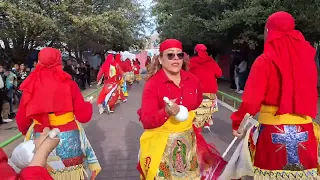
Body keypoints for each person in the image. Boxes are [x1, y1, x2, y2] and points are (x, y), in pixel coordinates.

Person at [231, 12, 319, 179]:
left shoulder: (264, 61)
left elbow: (251, 101)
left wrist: (238, 124)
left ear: (268, 31)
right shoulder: (308, 59)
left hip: (273, 132)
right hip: (305, 132)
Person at [137, 39, 226, 180]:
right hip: (162, 147)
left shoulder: (193, 80)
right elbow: (147, 121)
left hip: (188, 144)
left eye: (179, 55)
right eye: (170, 55)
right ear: (160, 59)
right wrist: (165, 112)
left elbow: (196, 103)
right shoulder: (153, 84)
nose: (176, 59)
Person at [16, 47, 101, 179]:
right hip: (69, 137)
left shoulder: (30, 86)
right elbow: (84, 116)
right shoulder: (69, 84)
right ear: (59, 61)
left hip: (40, 138)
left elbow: (22, 121)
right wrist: (88, 105)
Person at [189, 44, 222, 131]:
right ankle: (206, 124)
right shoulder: (211, 61)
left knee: (196, 107)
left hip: (196, 89)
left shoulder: (191, 61)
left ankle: (196, 126)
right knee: (209, 106)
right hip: (210, 89)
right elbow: (219, 73)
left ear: (195, 51)